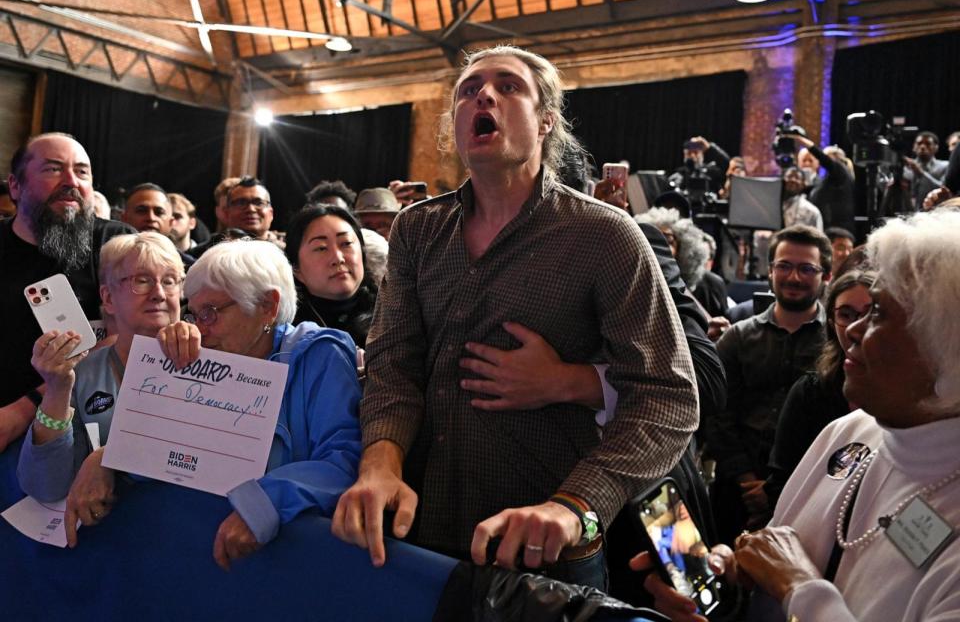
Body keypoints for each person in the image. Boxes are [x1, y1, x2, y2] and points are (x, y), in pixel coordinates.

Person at [331, 45, 698, 590]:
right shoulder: (417, 228)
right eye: (469, 90)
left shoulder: (604, 235)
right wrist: (381, 461)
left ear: (547, 121)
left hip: (546, 548)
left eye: (509, 86)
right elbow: (393, 365)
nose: (483, 94)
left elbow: (667, 396)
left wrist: (575, 507)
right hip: (420, 527)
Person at [637, 208, 960, 622]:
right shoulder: (849, 433)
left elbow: (791, 574)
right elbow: (774, 551)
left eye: (878, 312)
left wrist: (799, 586)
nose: (855, 330)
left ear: (944, 349)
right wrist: (734, 578)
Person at [21, 238, 363, 570]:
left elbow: (343, 457)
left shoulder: (318, 352)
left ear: (267, 307)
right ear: (107, 297)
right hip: (185, 557)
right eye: (196, 314)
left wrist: (264, 504)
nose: (201, 328)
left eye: (211, 313)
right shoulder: (201, 355)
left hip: (294, 563)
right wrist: (108, 456)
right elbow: (181, 455)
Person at [18, 232, 185, 540]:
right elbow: (45, 484)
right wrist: (57, 389)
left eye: (171, 280)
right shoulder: (85, 373)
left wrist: (111, 457)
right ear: (108, 298)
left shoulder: (208, 360)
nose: (160, 293)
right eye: (142, 281)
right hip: (118, 538)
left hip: (186, 530)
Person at [0, 133, 132, 451]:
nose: (71, 181)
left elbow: (134, 335)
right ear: (15, 186)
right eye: (53, 169)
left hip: (91, 430)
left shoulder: (117, 243)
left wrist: (23, 409)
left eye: (82, 171)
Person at [708, 224, 830, 541]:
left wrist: (777, 488)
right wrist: (747, 480)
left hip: (810, 489)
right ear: (770, 270)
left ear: (825, 276)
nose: (794, 277)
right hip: (736, 486)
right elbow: (718, 414)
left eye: (807, 269)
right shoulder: (737, 337)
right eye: (784, 266)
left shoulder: (837, 343)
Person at [764, 269, 875, 507]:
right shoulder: (810, 392)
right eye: (846, 314)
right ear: (833, 322)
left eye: (871, 314)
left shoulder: (906, 393)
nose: (857, 327)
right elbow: (783, 480)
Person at [284, 204, 379, 347]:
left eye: (346, 243)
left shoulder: (393, 312)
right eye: (321, 248)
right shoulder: (285, 331)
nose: (338, 258)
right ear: (296, 268)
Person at [789, 135, 855, 232]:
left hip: (836, 231)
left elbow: (823, 158)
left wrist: (804, 142)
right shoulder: (826, 181)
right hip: (824, 229)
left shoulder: (841, 174)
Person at [904, 131, 948, 210]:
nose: (923, 146)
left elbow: (944, 191)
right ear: (914, 147)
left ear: (936, 147)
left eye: (928, 144)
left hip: (934, 214)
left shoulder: (945, 166)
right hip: (904, 214)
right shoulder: (905, 168)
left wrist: (921, 173)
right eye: (919, 143)